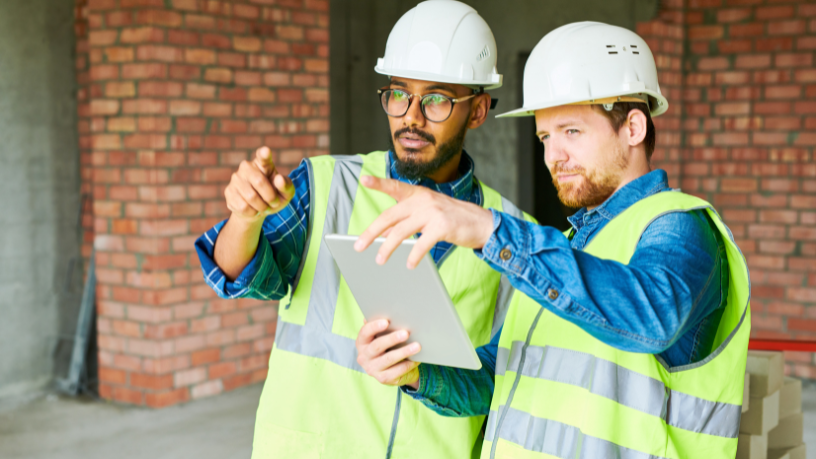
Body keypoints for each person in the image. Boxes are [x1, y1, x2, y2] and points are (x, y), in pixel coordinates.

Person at [355, 22, 750, 459]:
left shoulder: (680, 226)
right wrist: (415, 373)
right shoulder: (566, 248)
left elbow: (650, 317)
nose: (552, 156)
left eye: (572, 132)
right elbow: (494, 378)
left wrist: (488, 228)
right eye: (545, 136)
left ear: (634, 128)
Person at [194, 1, 533, 458]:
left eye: (435, 99)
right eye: (399, 94)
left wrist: (418, 376)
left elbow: (499, 386)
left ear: (477, 111)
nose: (411, 116)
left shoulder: (511, 235)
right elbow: (238, 277)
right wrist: (246, 217)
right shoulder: (328, 185)